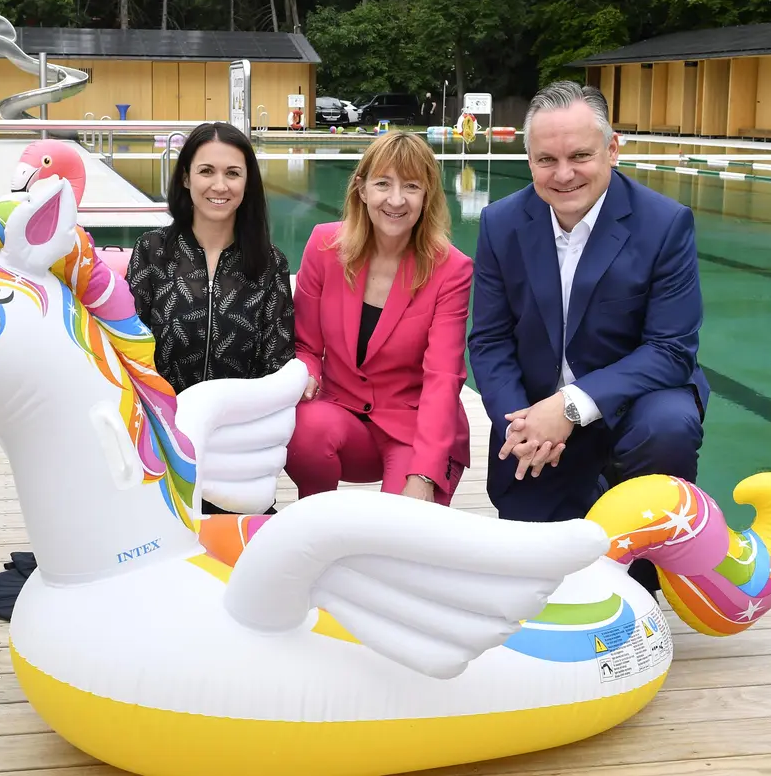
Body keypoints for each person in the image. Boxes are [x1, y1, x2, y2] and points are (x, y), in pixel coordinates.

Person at [467, 81, 709, 593]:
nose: (563, 174)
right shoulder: (501, 223)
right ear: (528, 158)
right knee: (533, 572)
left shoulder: (664, 225)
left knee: (667, 425)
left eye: (580, 156)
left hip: (634, 407)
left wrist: (572, 406)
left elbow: (671, 351)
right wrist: (520, 423)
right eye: (546, 159)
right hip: (536, 414)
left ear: (612, 149)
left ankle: (643, 577)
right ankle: (577, 486)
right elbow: (489, 341)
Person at [285, 131, 473, 507]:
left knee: (400, 536)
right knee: (305, 427)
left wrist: (423, 474)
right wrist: (308, 373)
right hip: (341, 415)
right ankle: (317, 523)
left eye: (412, 186)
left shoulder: (451, 269)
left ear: (428, 195)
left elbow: (442, 378)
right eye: (383, 184)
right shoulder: (324, 246)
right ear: (362, 189)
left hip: (415, 427)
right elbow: (305, 345)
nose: (397, 200)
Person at [125, 121, 295, 513]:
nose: (220, 185)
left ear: (247, 183)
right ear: (186, 178)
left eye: (232, 173)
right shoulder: (153, 252)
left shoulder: (269, 264)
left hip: (234, 458)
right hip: (159, 444)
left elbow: (277, 368)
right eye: (207, 171)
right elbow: (129, 349)